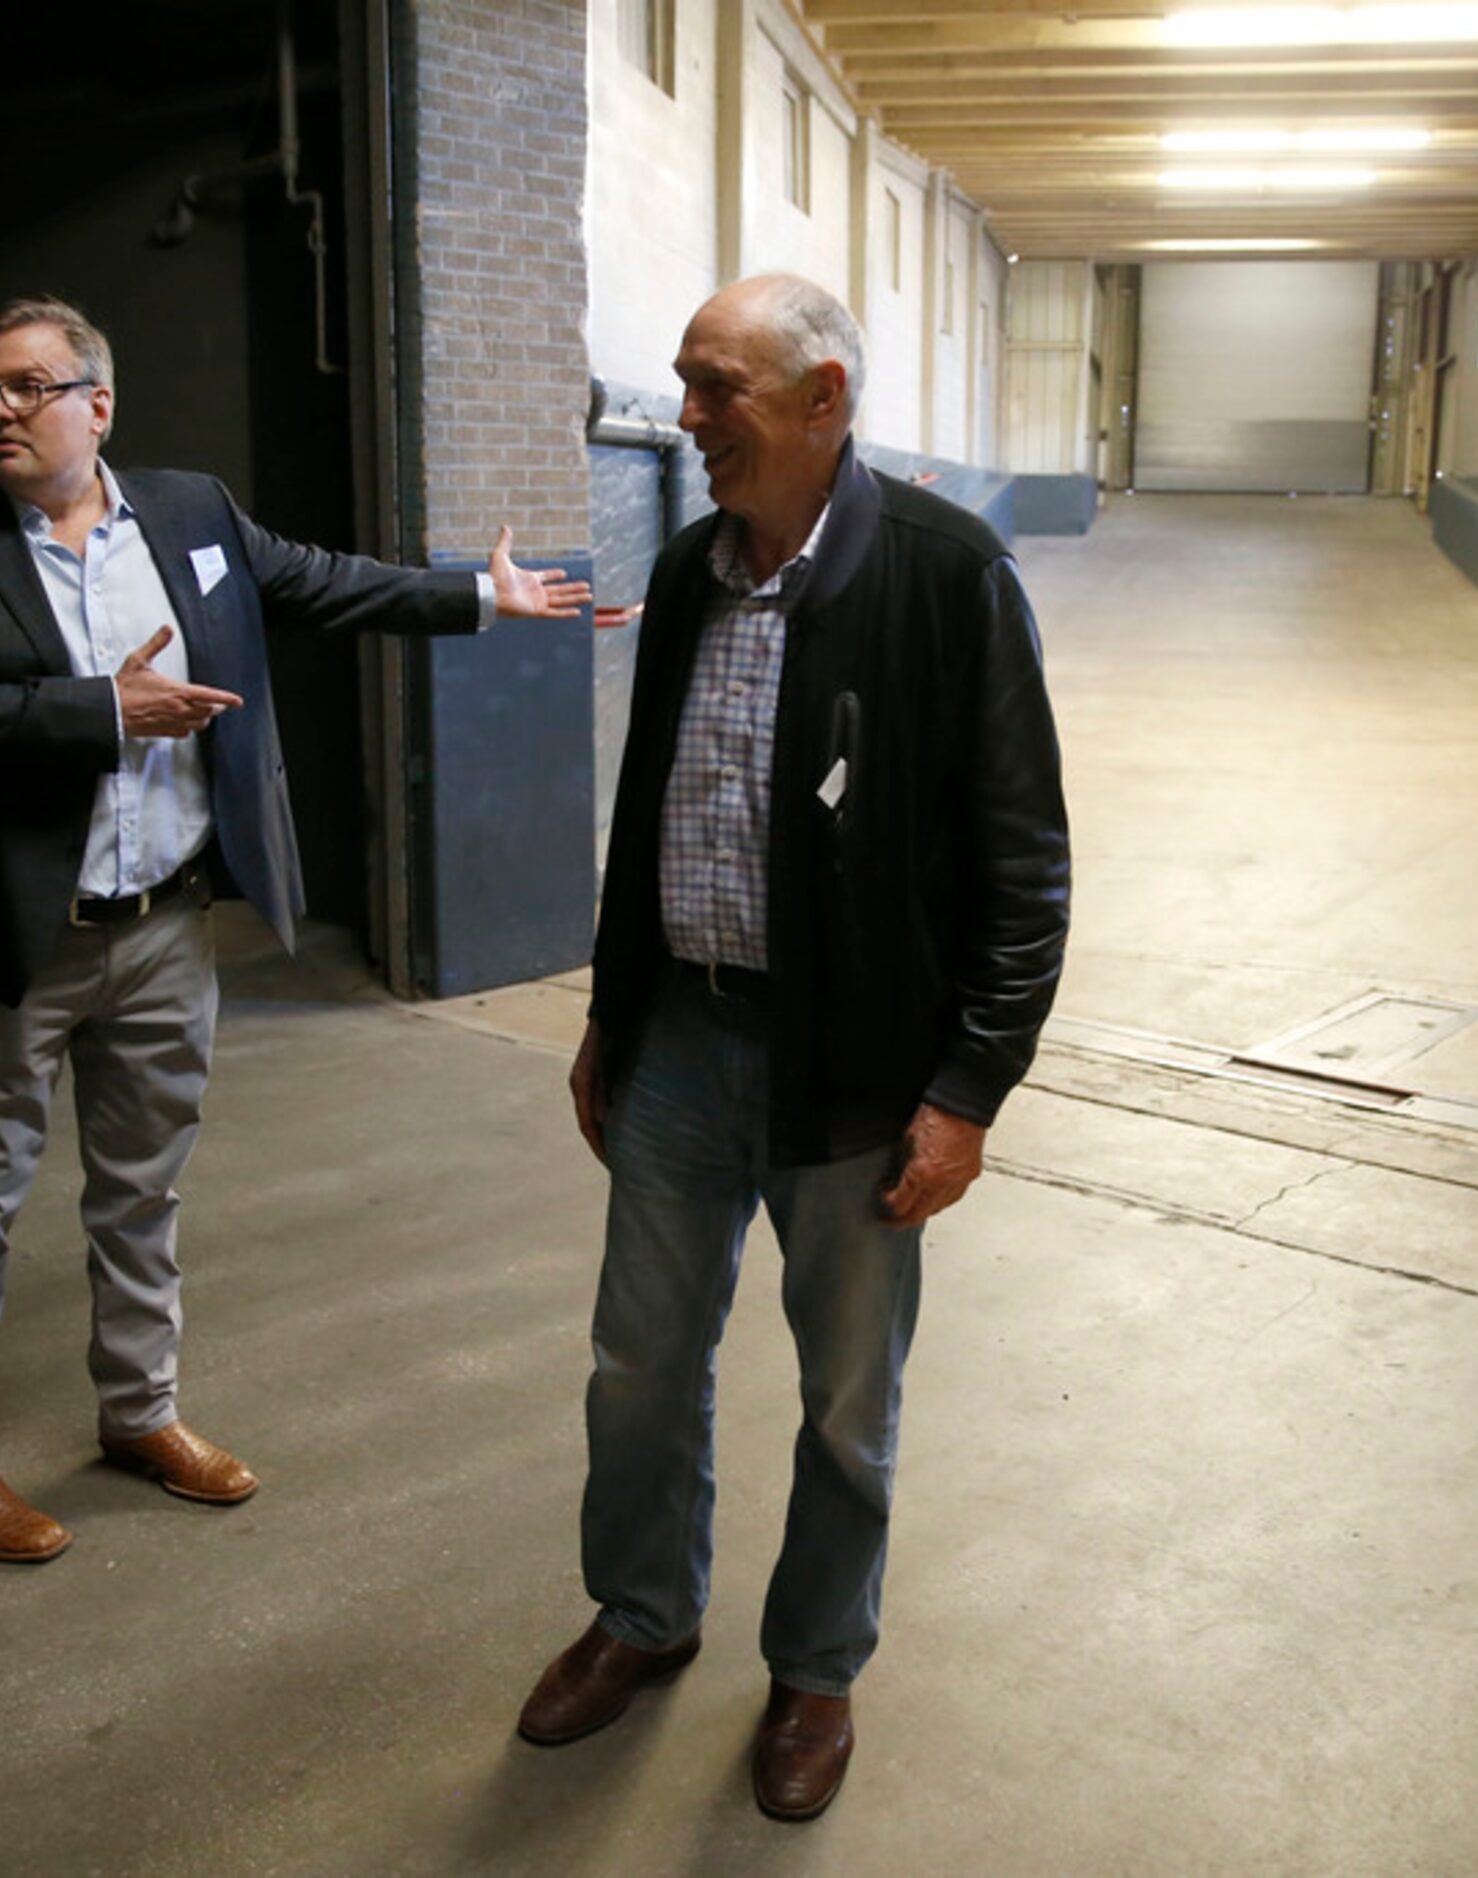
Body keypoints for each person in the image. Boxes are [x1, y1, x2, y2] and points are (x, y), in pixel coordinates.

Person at [0, 296, 613, 1564]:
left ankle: (140, 1414)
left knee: (143, 1189)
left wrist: (473, 600)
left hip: (164, 927)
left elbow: (317, 581)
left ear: (96, 404)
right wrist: (105, 712)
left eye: (26, 387)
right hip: (16, 930)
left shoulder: (191, 511)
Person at [516, 274, 1070, 1820]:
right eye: (685, 386)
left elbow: (1027, 864)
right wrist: (614, 1011)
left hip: (857, 1073)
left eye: (716, 389)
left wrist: (966, 1093)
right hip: (684, 1040)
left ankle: (817, 1665)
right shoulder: (695, 570)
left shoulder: (948, 576)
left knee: (844, 1400)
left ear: (823, 399)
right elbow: (655, 813)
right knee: (638, 1364)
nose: (684, 419)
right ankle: (642, 1615)